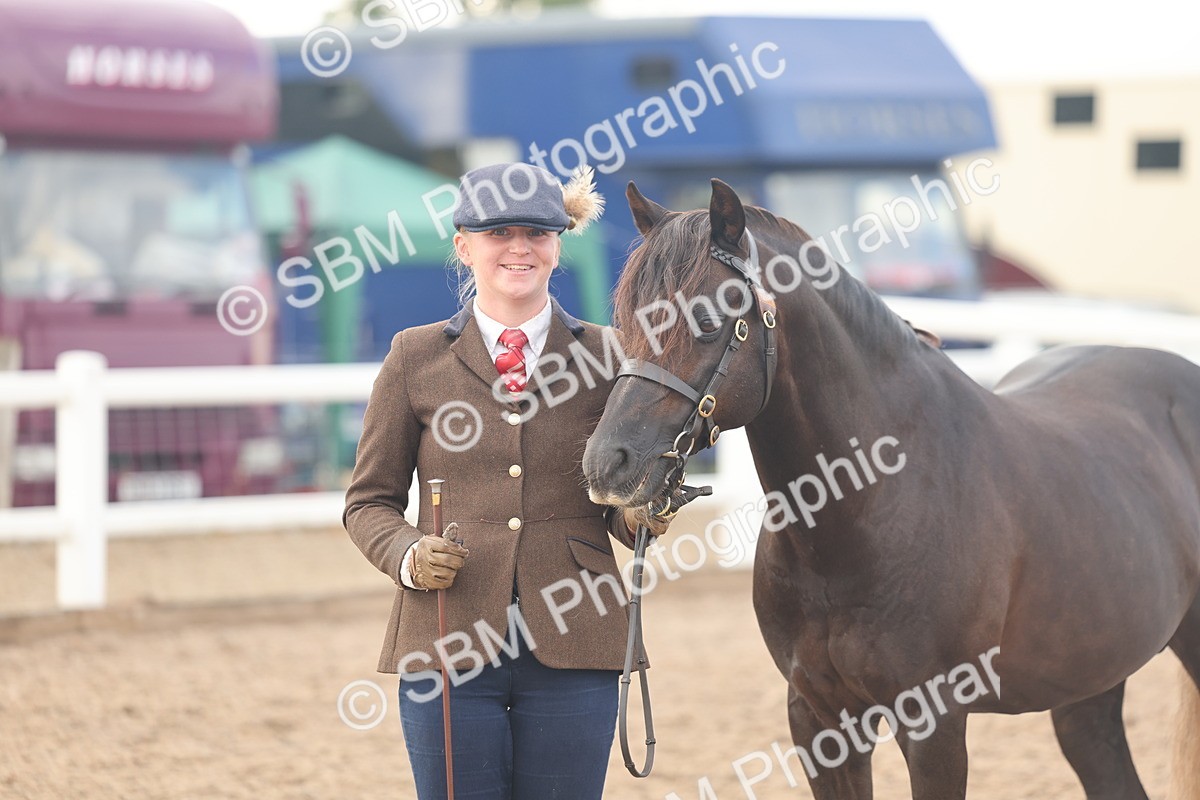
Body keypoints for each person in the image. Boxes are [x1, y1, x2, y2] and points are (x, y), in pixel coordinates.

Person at [343, 162, 669, 799]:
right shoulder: (415, 356)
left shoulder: (610, 355)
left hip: (578, 630)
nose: (519, 248)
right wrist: (406, 554)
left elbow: (619, 503)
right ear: (463, 246)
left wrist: (641, 514)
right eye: (499, 233)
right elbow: (368, 502)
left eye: (537, 233)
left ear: (558, 245)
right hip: (446, 629)